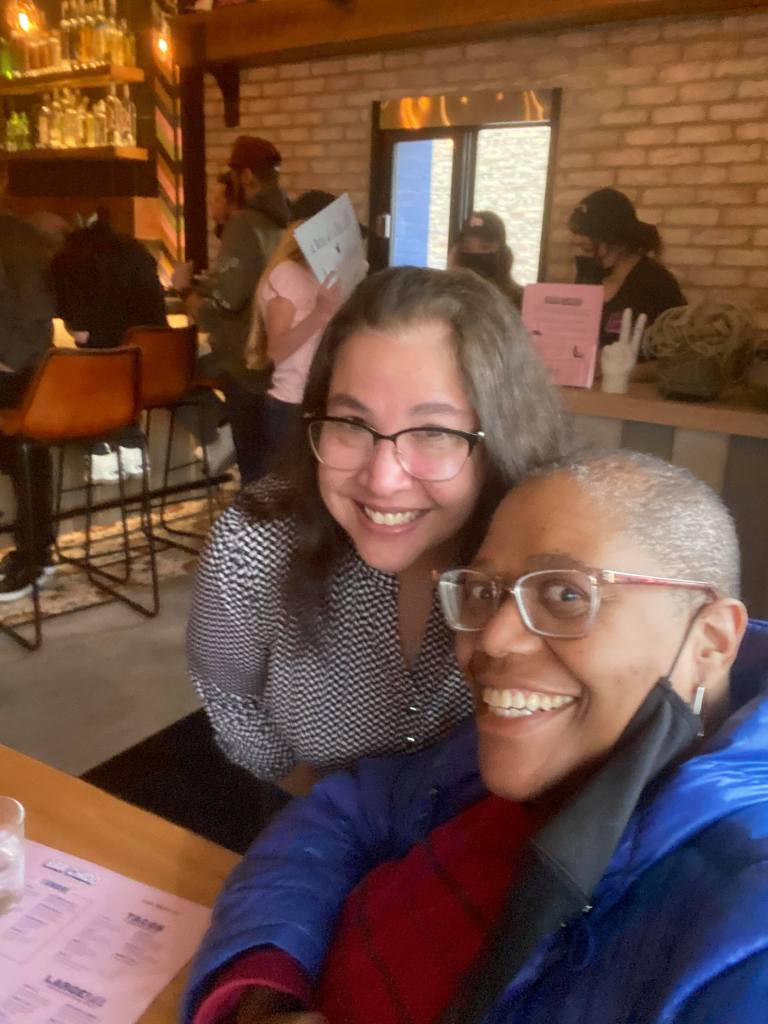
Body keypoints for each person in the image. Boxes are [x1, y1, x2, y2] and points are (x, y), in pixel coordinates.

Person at [182, 449, 768, 1024]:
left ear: (711, 641)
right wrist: (264, 991)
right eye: (484, 593)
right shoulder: (512, 751)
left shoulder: (740, 924)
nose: (492, 639)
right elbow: (341, 815)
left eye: (566, 595)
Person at [187, 265, 566, 796]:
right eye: (351, 425)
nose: (383, 480)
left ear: (502, 436)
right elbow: (229, 694)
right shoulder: (257, 542)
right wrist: (321, 805)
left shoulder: (558, 556)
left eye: (433, 432)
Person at [183, 136, 291, 474]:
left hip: (245, 361)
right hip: (279, 359)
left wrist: (190, 297)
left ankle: (219, 433)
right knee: (273, 466)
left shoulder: (245, 223)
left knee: (253, 467)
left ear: (246, 176)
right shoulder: (289, 219)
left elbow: (229, 299)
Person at [229, 190, 343, 485]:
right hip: (292, 402)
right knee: (288, 490)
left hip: (315, 397)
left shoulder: (316, 274)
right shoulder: (286, 273)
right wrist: (321, 313)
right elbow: (277, 348)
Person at [50, 211, 167, 481]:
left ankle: (100, 450)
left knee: (74, 372)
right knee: (117, 372)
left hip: (106, 377)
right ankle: (131, 445)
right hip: (154, 369)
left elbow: (81, 334)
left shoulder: (69, 262)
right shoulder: (138, 253)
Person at [0, 157, 57, 602]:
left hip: (15, 368)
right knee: (27, 458)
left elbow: (36, 313)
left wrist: (9, 360)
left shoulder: (15, 235)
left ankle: (35, 553)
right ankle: (36, 548)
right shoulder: (22, 232)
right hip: (25, 364)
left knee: (25, 455)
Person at [569, 188, 685, 348]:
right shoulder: (589, 274)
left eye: (589, 248)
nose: (584, 254)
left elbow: (675, 352)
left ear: (618, 241)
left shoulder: (656, 283)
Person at [450, 211, 523, 308]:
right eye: (467, 248)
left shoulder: (521, 300)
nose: (475, 255)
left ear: (502, 253)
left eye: (485, 247)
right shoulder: (448, 298)